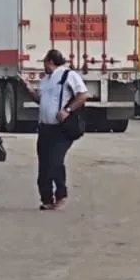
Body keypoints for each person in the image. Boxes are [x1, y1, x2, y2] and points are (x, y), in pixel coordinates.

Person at [22, 49, 88, 211]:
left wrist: (68, 110)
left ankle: (61, 194)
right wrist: (29, 88)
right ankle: (46, 199)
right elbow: (40, 100)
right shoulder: (46, 80)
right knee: (44, 164)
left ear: (50, 61)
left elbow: (83, 95)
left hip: (61, 129)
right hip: (45, 128)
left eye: (44, 62)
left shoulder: (68, 75)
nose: (43, 66)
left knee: (55, 161)